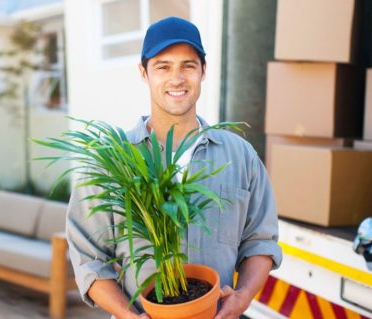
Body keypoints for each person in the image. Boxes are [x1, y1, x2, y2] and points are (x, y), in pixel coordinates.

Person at [66, 16, 282, 319]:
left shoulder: (240, 156)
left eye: (188, 66)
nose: (177, 78)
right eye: (163, 66)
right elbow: (88, 258)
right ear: (144, 73)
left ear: (204, 71)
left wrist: (243, 297)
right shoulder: (113, 162)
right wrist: (129, 316)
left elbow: (261, 240)